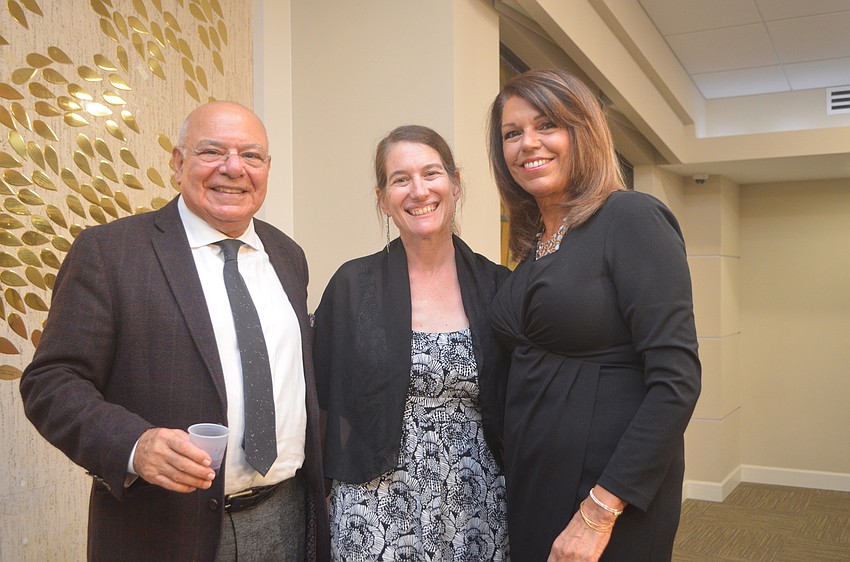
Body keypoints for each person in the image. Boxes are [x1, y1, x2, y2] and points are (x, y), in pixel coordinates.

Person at [20, 101, 329, 561]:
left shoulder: (287, 255)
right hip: (163, 530)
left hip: (286, 518)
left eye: (251, 155)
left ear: (266, 168)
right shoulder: (110, 252)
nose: (233, 168)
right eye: (211, 152)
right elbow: (51, 382)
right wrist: (133, 444)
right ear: (177, 162)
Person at [486, 69, 701, 561]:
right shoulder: (536, 245)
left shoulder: (631, 218)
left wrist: (599, 512)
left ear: (582, 131)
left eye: (546, 126)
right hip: (536, 486)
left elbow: (677, 381)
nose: (528, 144)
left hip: (606, 499)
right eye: (512, 134)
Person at [314, 125, 511, 560]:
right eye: (401, 179)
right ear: (383, 199)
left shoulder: (500, 288)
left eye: (431, 173)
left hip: (475, 500)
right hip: (375, 501)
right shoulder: (353, 286)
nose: (418, 190)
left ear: (455, 184)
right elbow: (320, 397)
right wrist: (323, 491)